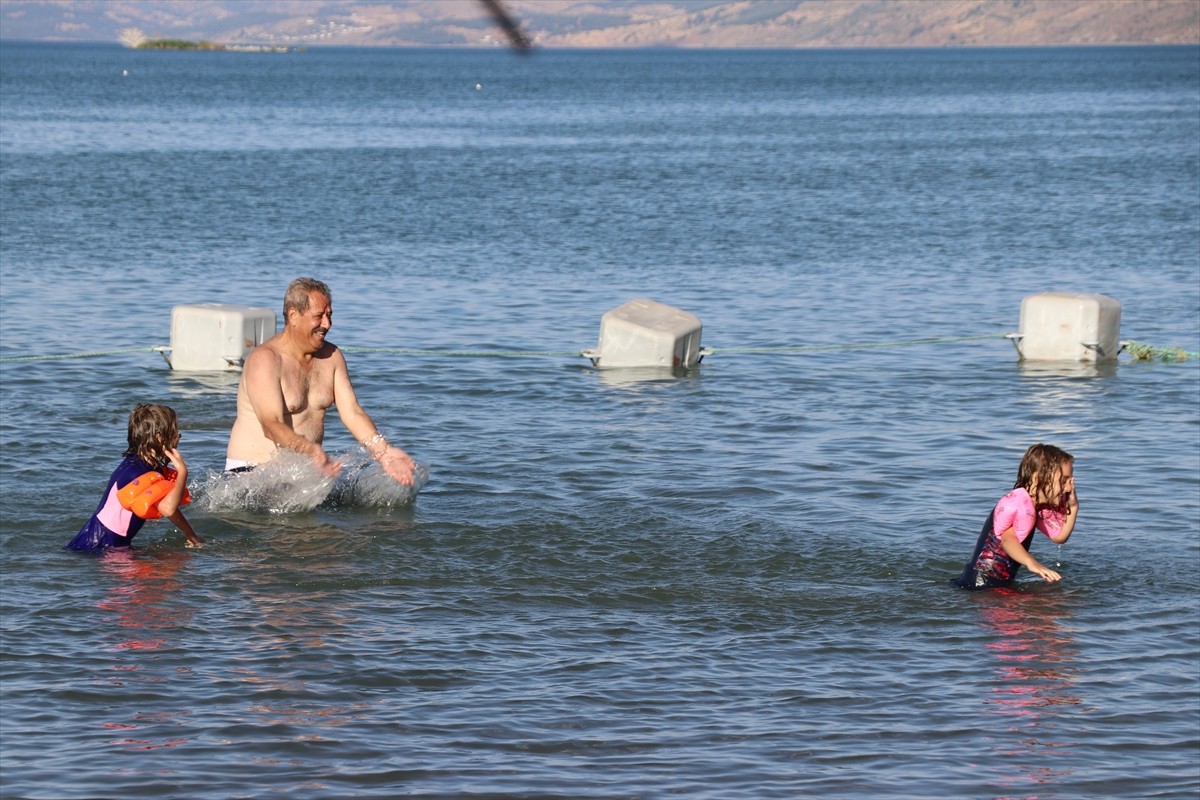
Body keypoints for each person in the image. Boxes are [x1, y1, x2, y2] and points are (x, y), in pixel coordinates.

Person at [225, 277, 416, 484]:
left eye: (329, 315)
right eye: (318, 316)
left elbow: (352, 413)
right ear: (293, 315)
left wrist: (383, 452)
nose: (327, 324)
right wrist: (310, 451)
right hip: (250, 473)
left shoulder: (332, 356)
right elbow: (271, 425)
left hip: (304, 473)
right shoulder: (265, 360)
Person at [66, 404, 204, 551]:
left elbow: (163, 502)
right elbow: (168, 508)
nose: (178, 438)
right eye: (176, 433)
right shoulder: (135, 472)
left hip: (111, 545)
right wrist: (183, 472)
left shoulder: (148, 464)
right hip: (100, 548)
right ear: (160, 438)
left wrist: (190, 533)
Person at [951, 443, 1079, 590]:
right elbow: (1007, 539)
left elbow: (1060, 537)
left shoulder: (1035, 507)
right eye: (1063, 481)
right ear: (1037, 479)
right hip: (984, 583)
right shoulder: (1019, 504)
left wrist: (1074, 507)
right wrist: (1032, 563)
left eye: (1070, 481)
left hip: (994, 583)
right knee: (1050, 607)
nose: (1069, 488)